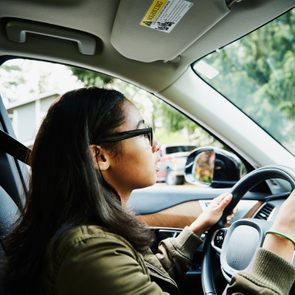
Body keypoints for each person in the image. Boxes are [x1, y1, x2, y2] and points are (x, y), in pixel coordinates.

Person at [3, 87, 294, 295]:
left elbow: (142, 274)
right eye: (143, 132)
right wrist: (281, 236)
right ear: (99, 156)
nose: (156, 146)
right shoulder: (88, 252)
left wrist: (195, 231)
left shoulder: (93, 232)